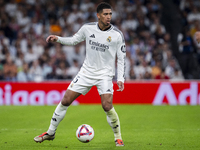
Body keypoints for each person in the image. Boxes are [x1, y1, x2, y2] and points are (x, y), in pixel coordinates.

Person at [33, 2, 126, 147]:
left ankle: (118, 137)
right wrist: (58, 39)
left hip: (105, 75)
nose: (109, 17)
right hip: (86, 72)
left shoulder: (117, 35)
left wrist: (120, 78)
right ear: (98, 15)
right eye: (105, 14)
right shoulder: (87, 28)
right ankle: (50, 133)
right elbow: (74, 40)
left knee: (107, 106)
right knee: (65, 100)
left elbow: (121, 58)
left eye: (110, 14)